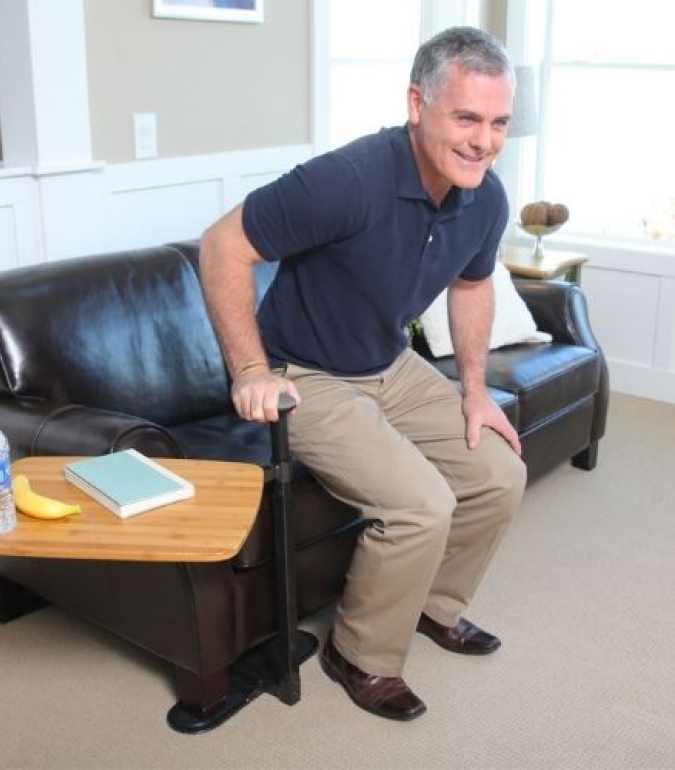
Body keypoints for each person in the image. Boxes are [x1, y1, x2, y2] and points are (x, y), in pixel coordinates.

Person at [199, 26, 527, 722]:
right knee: (421, 503)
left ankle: (432, 605)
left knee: (499, 475)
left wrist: (474, 391)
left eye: (498, 122)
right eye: (466, 118)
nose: (484, 140)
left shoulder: (485, 197)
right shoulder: (345, 180)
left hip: (390, 364)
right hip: (306, 374)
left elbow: (472, 285)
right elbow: (223, 244)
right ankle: (360, 654)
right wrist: (250, 370)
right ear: (418, 103)